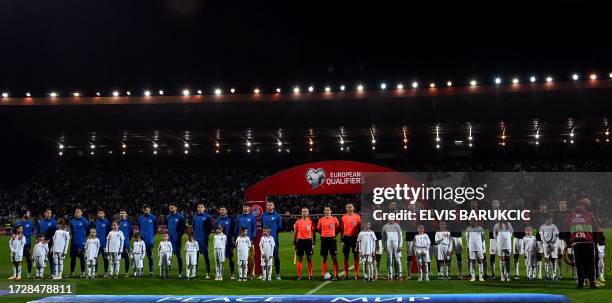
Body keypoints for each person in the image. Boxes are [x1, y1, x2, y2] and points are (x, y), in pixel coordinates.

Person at [563, 198, 600, 289]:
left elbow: (565, 230)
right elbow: (596, 230)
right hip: (589, 242)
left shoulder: (570, 216)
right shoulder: (589, 215)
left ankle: (580, 283)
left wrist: (568, 242)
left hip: (577, 243)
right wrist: (595, 242)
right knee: (590, 263)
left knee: (579, 263)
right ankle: (592, 283)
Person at [261, 201, 282, 280]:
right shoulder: (263, 215)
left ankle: (277, 274)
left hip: (274, 239)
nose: (269, 206)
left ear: (273, 206)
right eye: (268, 205)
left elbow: (279, 227)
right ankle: (264, 274)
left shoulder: (277, 216)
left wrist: (273, 235)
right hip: (264, 239)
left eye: (271, 205)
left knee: (276, 256)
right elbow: (263, 226)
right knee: (264, 257)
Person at [317, 206, 340, 280]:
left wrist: (333, 235)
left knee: (334, 257)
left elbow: (337, 228)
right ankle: (323, 274)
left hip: (332, 239)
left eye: (328, 210)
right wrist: (324, 235)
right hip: (324, 239)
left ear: (331, 211)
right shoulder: (321, 220)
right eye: (325, 210)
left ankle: (336, 275)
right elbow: (319, 229)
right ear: (324, 211)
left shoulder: (334, 219)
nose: (327, 211)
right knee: (324, 258)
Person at [340, 203, 361, 280]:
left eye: (350, 207)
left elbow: (360, 229)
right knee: (346, 257)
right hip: (346, 238)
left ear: (353, 208)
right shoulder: (343, 217)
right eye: (348, 207)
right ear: (346, 208)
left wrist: (359, 240)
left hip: (355, 238)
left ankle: (357, 274)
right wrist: (341, 240)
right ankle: (346, 274)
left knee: (356, 256)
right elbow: (341, 230)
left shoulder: (357, 217)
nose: (349, 208)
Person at [235, 204, 257, 278]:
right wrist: (236, 238)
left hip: (249, 241)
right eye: (244, 207)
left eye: (246, 207)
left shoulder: (252, 217)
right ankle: (242, 274)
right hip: (240, 241)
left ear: (249, 208)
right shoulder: (239, 217)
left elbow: (254, 228)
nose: (245, 208)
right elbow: (236, 228)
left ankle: (252, 273)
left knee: (251, 258)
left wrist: (252, 238)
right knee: (240, 258)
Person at [294, 207, 315, 280]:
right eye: (303, 211)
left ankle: (310, 275)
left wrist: (313, 243)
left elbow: (313, 233)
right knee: (300, 259)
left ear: (308, 213)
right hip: (300, 241)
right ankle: (299, 275)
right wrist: (294, 242)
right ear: (301, 213)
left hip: (308, 241)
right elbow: (295, 232)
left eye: (306, 211)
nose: (304, 213)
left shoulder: (311, 221)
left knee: (309, 258)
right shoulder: (298, 222)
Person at [192, 203, 213, 279]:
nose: (200, 208)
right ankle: (194, 273)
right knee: (195, 257)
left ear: (204, 208)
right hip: (196, 240)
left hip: (204, 240)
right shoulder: (194, 217)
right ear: (197, 208)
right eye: (199, 207)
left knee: (206, 256)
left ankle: (208, 273)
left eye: (201, 207)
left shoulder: (207, 217)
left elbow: (210, 228)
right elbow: (193, 228)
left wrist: (206, 236)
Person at [137, 205, 157, 276]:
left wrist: (151, 236)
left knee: (150, 256)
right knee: (140, 256)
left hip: (149, 241)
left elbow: (156, 228)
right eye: (144, 210)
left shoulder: (153, 217)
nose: (146, 211)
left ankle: (151, 271)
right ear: (143, 210)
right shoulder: (140, 218)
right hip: (141, 241)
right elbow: (139, 228)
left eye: (147, 210)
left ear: (149, 210)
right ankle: (140, 271)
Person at [36, 208, 57, 277]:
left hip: (50, 242)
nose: (49, 214)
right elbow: (37, 232)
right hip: (41, 243)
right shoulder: (41, 222)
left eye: (50, 213)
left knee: (51, 258)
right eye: (47, 212)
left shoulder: (53, 222)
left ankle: (52, 273)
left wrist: (49, 240)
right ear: (45, 213)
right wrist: (37, 239)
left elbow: (56, 233)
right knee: (41, 258)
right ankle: (40, 274)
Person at [216, 207, 235, 279]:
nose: (222, 211)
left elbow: (233, 230)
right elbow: (216, 230)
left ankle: (232, 274)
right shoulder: (217, 220)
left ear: (226, 211)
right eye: (221, 210)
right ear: (219, 211)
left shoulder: (230, 219)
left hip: (229, 242)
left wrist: (233, 240)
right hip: (220, 243)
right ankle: (220, 274)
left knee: (230, 258)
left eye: (223, 210)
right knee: (220, 259)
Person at [167, 203, 185, 278]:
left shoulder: (180, 217)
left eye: (172, 208)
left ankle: (180, 272)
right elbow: (168, 227)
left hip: (177, 239)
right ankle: (168, 272)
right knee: (169, 256)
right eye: (170, 208)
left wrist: (179, 236)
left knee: (178, 256)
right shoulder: (168, 217)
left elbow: (183, 229)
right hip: (169, 240)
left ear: (175, 208)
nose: (170, 209)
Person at [69, 208, 89, 278]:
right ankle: (72, 273)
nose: (77, 213)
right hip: (73, 243)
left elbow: (87, 231)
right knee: (73, 259)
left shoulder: (85, 221)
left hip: (81, 243)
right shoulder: (72, 221)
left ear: (81, 213)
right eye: (76, 212)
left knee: (82, 259)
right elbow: (71, 231)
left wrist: (83, 239)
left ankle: (83, 273)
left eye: (78, 212)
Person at [540, 215, 560, 283]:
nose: (551, 221)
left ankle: (554, 275)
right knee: (547, 259)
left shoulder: (554, 226)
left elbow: (557, 236)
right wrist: (548, 245)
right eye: (549, 219)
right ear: (546, 220)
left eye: (551, 219)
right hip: (546, 245)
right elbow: (542, 237)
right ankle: (547, 275)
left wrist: (554, 245)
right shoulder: (542, 227)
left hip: (554, 245)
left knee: (554, 259)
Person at [14, 211, 34, 278]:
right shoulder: (18, 222)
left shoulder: (30, 222)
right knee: (17, 260)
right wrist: (16, 235)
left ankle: (29, 273)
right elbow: (14, 231)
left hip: (27, 244)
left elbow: (31, 232)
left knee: (29, 259)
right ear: (24, 214)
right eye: (28, 213)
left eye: (29, 213)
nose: (29, 215)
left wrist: (23, 235)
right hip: (19, 245)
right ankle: (17, 274)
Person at [92, 209, 111, 276]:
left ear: (104, 214)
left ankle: (106, 272)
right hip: (96, 244)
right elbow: (93, 232)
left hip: (104, 244)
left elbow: (109, 233)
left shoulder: (107, 222)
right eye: (99, 213)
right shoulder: (95, 222)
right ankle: (95, 272)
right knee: (95, 258)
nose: (100, 214)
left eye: (101, 213)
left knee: (105, 259)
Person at [118, 209, 133, 277]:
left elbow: (131, 233)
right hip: (117, 244)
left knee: (127, 258)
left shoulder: (128, 222)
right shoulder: (117, 222)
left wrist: (127, 240)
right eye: (121, 213)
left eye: (123, 213)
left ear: (126, 214)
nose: (122, 214)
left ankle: (126, 273)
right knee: (116, 259)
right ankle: (116, 272)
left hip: (126, 244)